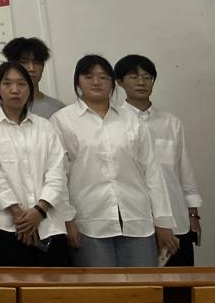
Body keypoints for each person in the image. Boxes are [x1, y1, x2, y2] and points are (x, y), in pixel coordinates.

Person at [51, 55, 175, 267]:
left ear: (113, 82)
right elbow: (58, 175)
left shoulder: (131, 120)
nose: (96, 82)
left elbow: (152, 173)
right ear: (77, 82)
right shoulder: (62, 120)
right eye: (88, 76)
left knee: (143, 285)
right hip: (89, 222)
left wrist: (163, 221)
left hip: (137, 219)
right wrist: (67, 220)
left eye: (103, 77)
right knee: (100, 286)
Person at [0, 62, 71, 266]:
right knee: (10, 284)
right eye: (7, 83)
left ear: (30, 88)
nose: (15, 89)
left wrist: (39, 211)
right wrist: (19, 215)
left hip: (48, 224)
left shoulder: (45, 126)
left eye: (21, 84)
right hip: (7, 226)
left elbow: (57, 173)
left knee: (54, 284)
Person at [115, 54, 203, 266]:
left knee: (181, 281)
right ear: (119, 82)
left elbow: (184, 170)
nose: (141, 82)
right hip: (135, 222)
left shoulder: (170, 122)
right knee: (143, 283)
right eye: (133, 77)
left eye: (147, 77)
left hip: (175, 217)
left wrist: (193, 215)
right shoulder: (113, 122)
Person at [1, 37, 65, 118]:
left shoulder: (57, 108)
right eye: (24, 62)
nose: (31, 68)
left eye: (37, 63)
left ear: (43, 67)